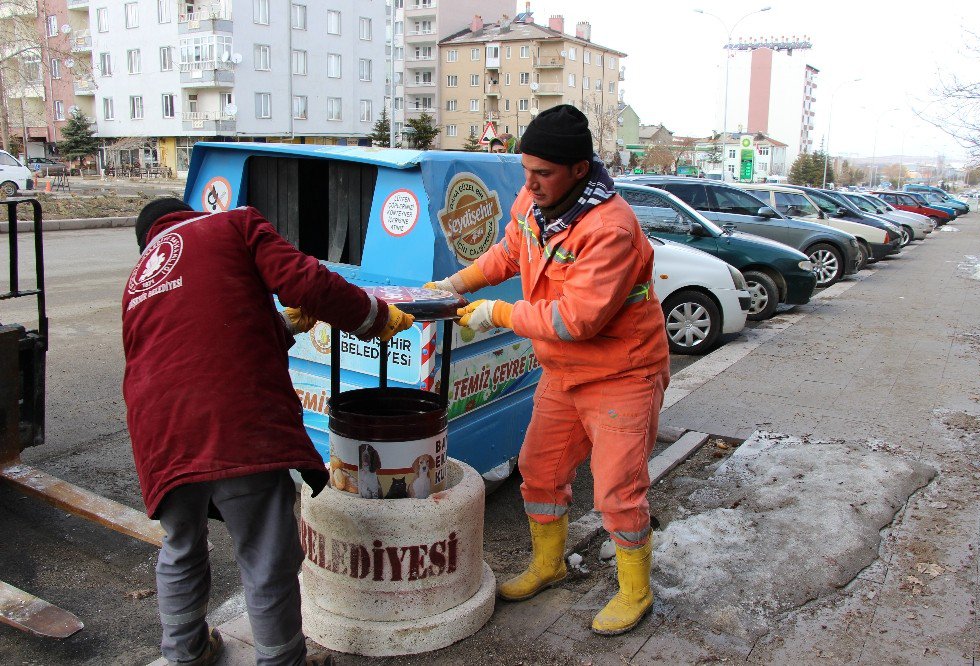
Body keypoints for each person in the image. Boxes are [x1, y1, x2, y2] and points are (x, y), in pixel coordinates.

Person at [123, 198, 413, 666]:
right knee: (265, 554)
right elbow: (306, 280)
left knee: (180, 545)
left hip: (160, 433)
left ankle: (186, 653)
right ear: (191, 213)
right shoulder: (230, 224)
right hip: (234, 420)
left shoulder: (139, 280)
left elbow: (194, 343)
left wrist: (282, 325)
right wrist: (374, 317)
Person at [426, 104, 669, 636]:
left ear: (579, 169)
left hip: (622, 375)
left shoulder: (610, 228)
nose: (530, 183)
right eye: (525, 171)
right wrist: (457, 285)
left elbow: (577, 318)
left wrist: (499, 312)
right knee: (539, 471)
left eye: (543, 173)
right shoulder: (536, 202)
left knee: (616, 491)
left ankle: (636, 591)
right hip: (563, 373)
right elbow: (509, 253)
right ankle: (549, 564)